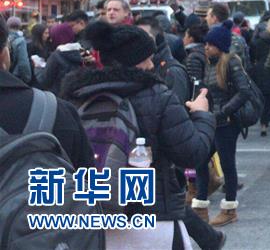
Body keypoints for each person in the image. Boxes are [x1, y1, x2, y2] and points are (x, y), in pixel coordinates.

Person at [62, 19, 222, 249]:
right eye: (147, 57)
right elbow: (192, 153)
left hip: (93, 220)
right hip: (155, 219)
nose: (151, 63)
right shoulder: (157, 95)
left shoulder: (76, 97)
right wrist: (202, 116)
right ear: (135, 61)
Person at [0, 16, 94, 169]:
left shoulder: (56, 55)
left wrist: (37, 68)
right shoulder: (58, 112)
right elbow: (87, 180)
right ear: (4, 53)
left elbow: (44, 79)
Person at [191, 20, 252, 227]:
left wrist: (225, 111)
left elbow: (244, 91)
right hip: (212, 121)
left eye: (210, 44)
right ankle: (200, 208)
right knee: (200, 159)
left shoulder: (230, 61)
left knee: (227, 164)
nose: (206, 47)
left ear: (220, 45)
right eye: (205, 44)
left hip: (227, 123)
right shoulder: (210, 63)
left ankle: (229, 209)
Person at [136, 17, 190, 105]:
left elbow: (176, 110)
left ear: (157, 39)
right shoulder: (140, 66)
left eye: (144, 37)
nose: (139, 42)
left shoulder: (172, 71)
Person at [35, 23, 92, 95]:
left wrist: (37, 69)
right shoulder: (84, 52)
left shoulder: (56, 56)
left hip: (60, 96)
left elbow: (44, 81)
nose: (51, 40)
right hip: (81, 96)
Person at [250, 14, 270, 136]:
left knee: (263, 97)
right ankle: (267, 119)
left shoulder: (259, 40)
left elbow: (253, 55)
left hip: (260, 69)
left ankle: (263, 123)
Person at [205, 2, 249, 68]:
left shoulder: (209, 39)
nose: (206, 18)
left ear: (214, 18)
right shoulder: (239, 38)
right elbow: (246, 63)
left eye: (207, 15)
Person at [5, 16, 32, 83]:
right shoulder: (20, 41)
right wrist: (27, 78)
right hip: (14, 77)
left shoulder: (4, 38)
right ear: (19, 26)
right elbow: (23, 62)